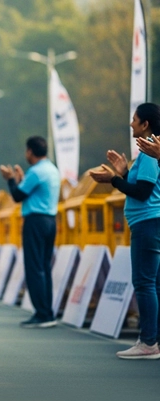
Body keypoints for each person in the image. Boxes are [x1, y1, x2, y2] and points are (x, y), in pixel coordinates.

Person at [90, 103, 160, 359]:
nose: (131, 124)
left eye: (134, 120)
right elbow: (145, 184)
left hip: (147, 223)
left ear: (145, 124)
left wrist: (114, 180)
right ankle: (153, 339)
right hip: (149, 222)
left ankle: (149, 342)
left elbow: (143, 192)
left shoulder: (150, 149)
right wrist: (124, 173)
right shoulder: (149, 151)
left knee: (144, 282)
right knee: (154, 284)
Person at [0, 135, 61, 328]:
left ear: (30, 151)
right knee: (44, 267)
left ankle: (41, 313)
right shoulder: (52, 169)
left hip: (35, 220)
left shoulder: (36, 171)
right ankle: (47, 312)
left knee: (34, 268)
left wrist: (11, 180)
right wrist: (21, 180)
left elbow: (17, 196)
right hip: (50, 220)